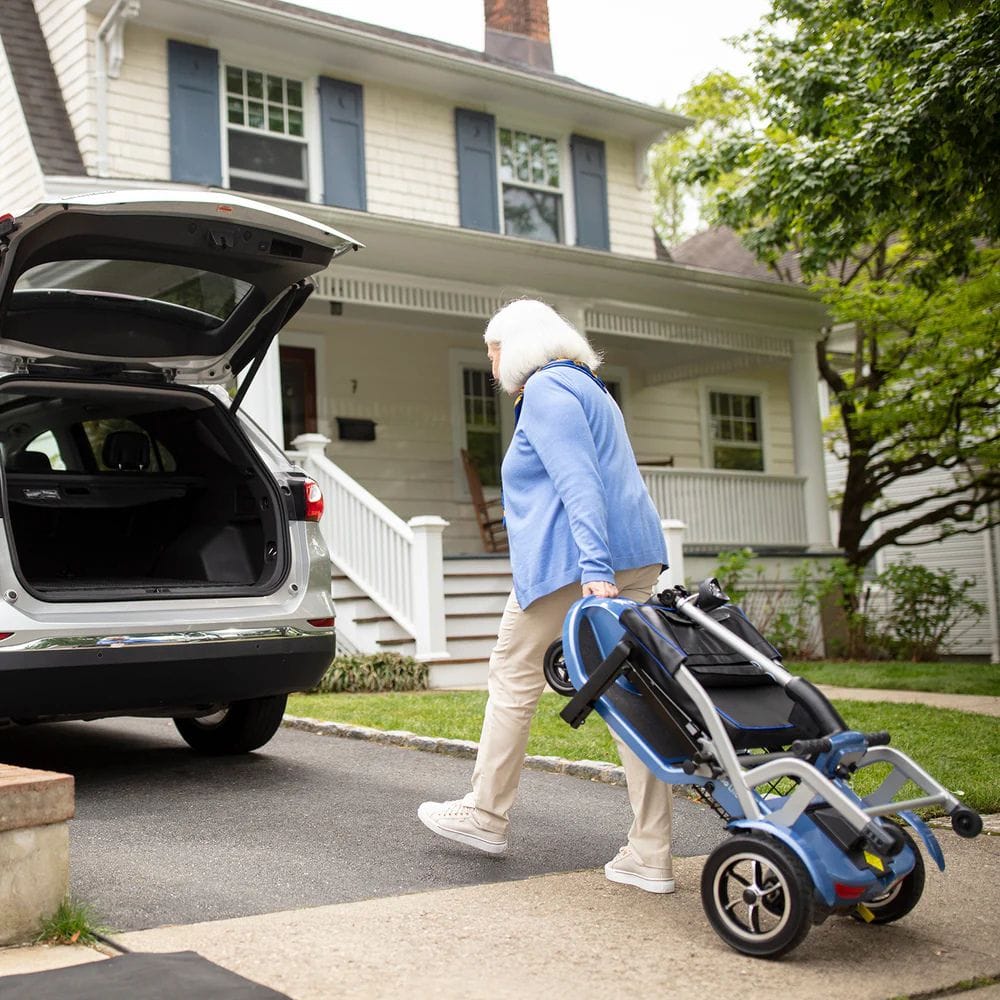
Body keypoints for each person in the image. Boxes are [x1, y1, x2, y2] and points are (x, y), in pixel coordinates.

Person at [418, 299, 676, 894]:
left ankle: (485, 814)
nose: (491, 363)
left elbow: (578, 480)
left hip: (575, 565)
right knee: (630, 696)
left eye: (494, 349)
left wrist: (593, 568)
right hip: (634, 553)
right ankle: (651, 851)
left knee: (513, 673)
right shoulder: (591, 388)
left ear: (524, 344)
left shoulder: (548, 390)